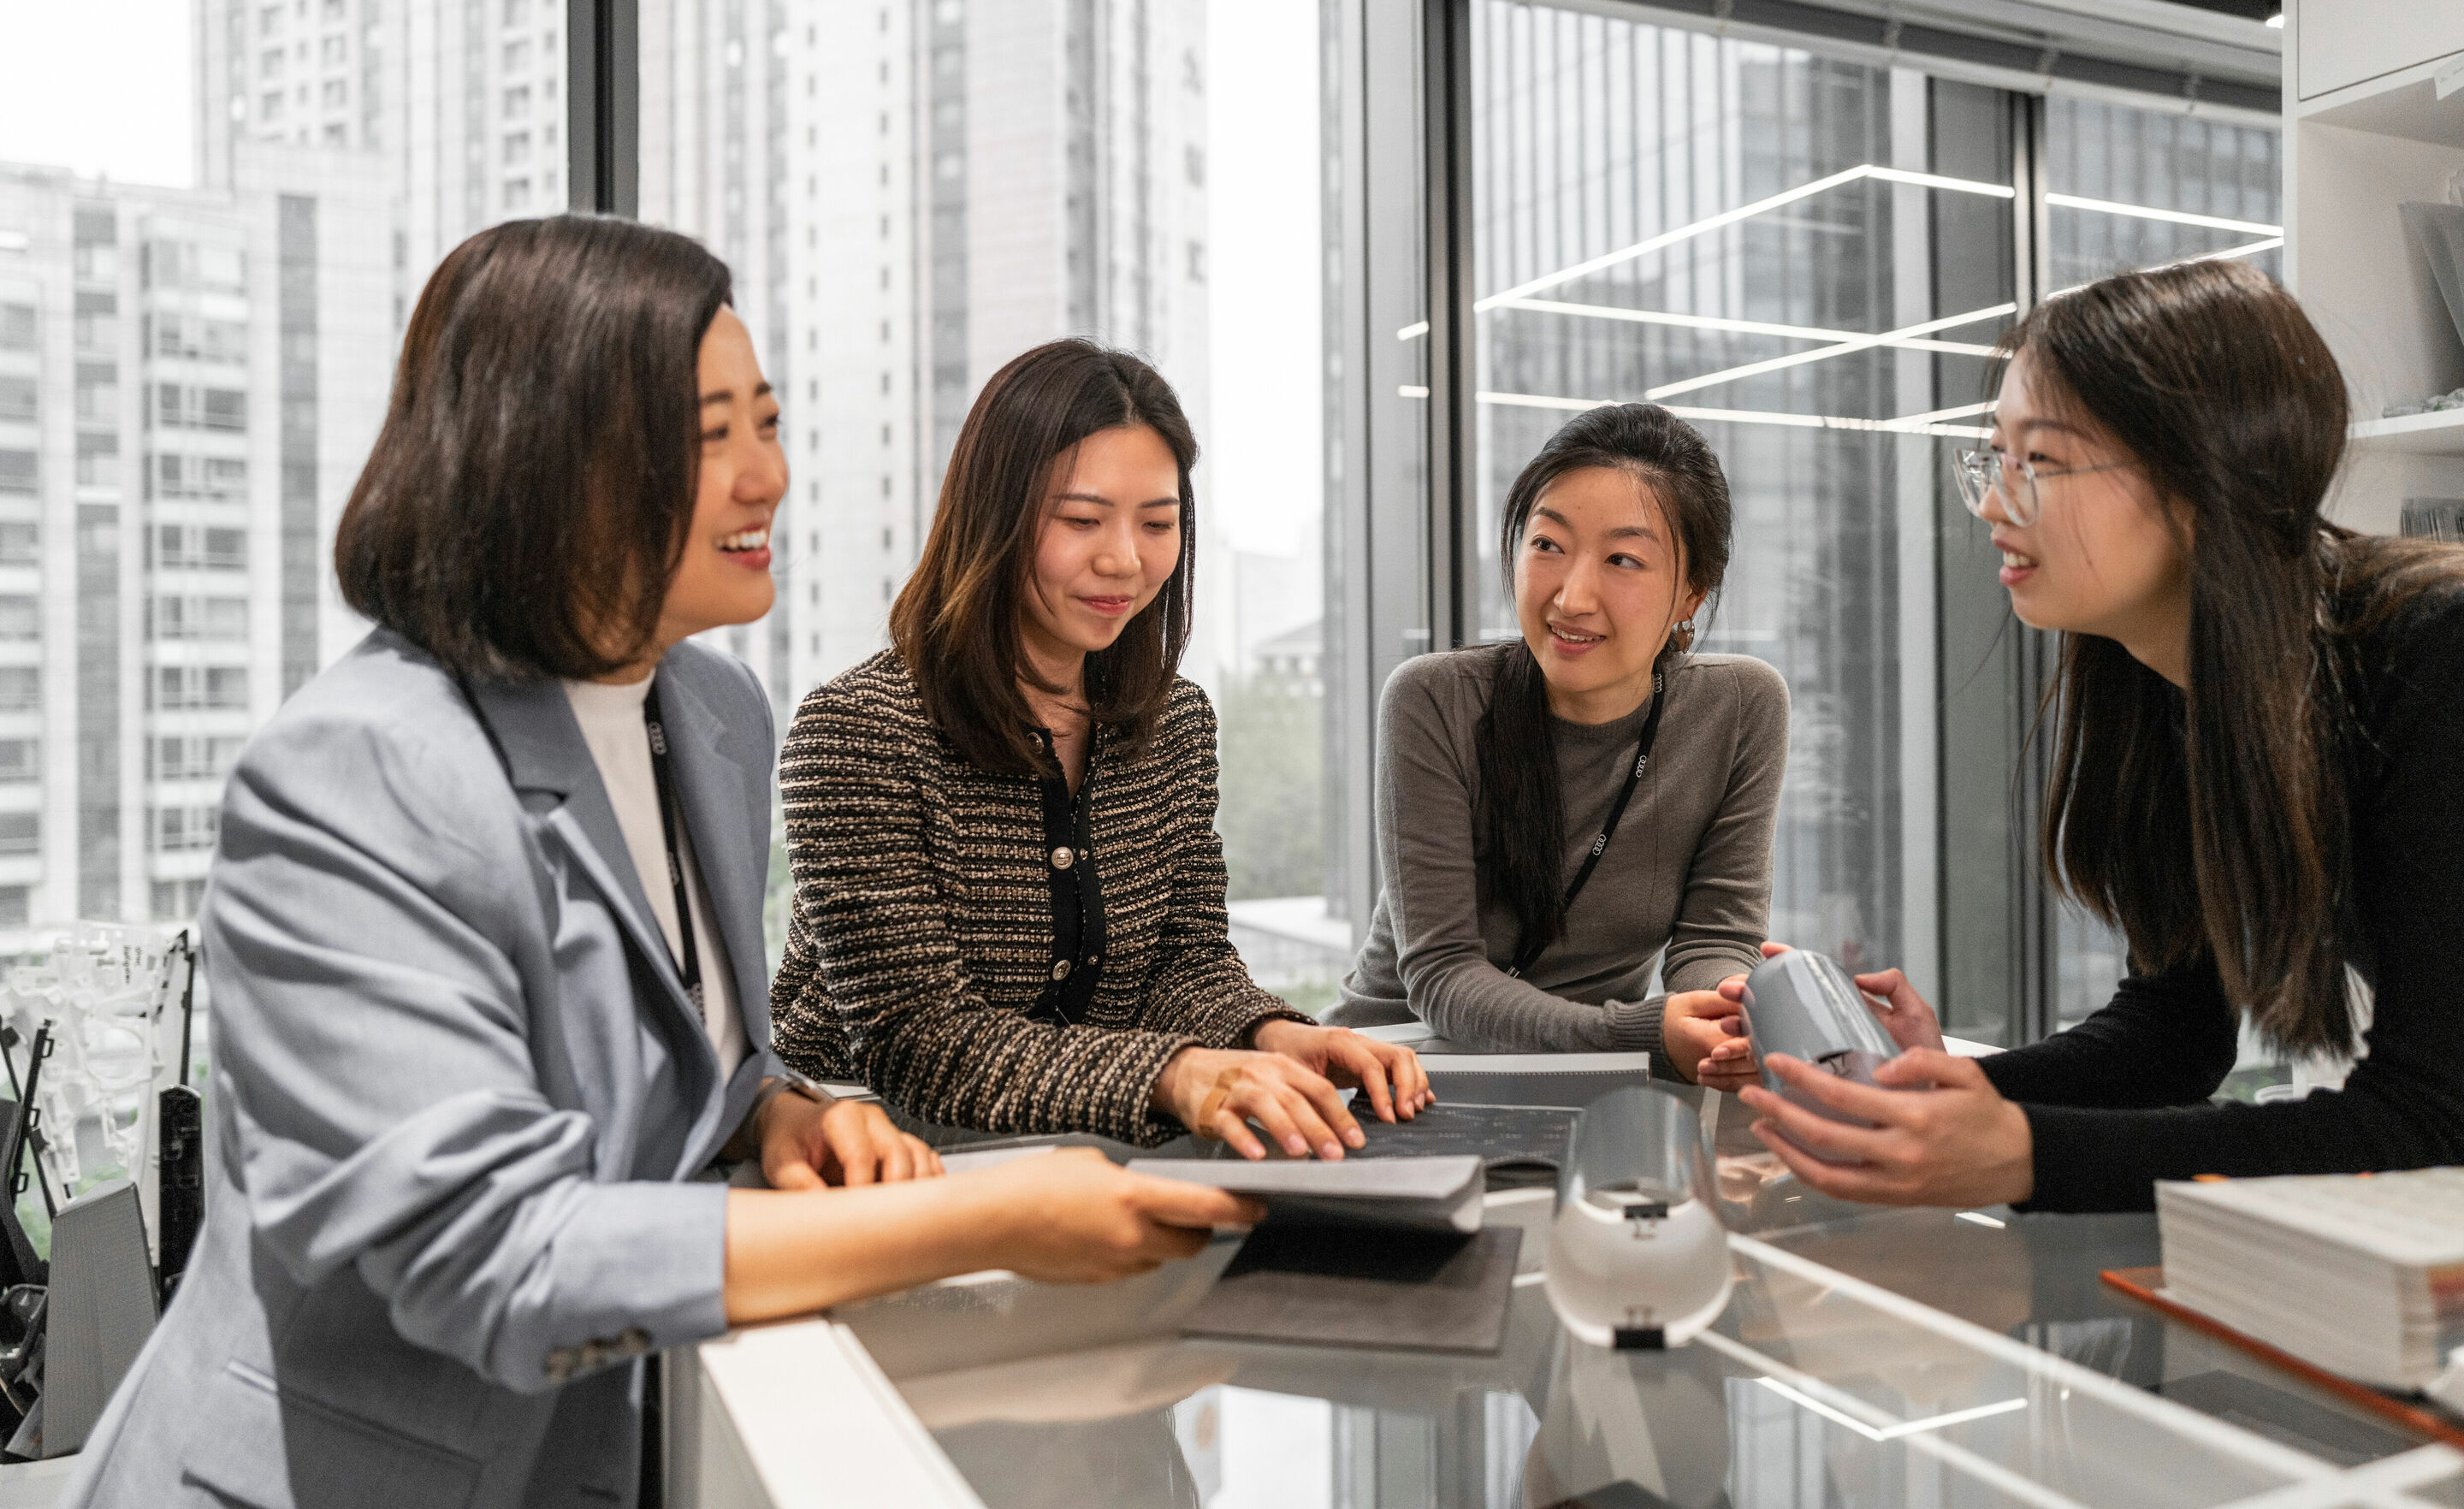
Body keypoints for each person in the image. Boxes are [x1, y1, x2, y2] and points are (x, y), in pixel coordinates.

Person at [62, 218, 1256, 1509]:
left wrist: (778, 1110)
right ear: (547, 460)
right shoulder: (356, 772)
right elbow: (495, 1252)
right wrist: (987, 1216)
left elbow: (686, 1051)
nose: (769, 478)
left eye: (769, 422)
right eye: (709, 437)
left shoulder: (712, 714)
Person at [1729, 259, 2464, 1213]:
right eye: (1996, 456)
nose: (1996, 502)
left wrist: (2027, 1152)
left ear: (2202, 475)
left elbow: (2432, 1124)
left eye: (2043, 460)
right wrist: (1939, 1096)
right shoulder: (2169, 675)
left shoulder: (2433, 656)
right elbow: (2171, 1036)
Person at [770, 339, 1429, 1159]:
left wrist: (1268, 1032)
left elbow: (1182, 963)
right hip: (871, 1160)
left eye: (1159, 523)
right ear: (995, 517)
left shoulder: (1174, 722)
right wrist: (1176, 1075)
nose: (1125, 559)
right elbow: (919, 1040)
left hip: (1086, 1151)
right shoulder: (858, 729)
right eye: (1081, 520)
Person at [1326, 402, 1783, 1086]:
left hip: (1594, 1073)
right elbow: (1442, 974)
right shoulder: (1434, 701)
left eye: (1623, 559)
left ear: (1691, 593)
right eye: (1548, 545)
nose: (1571, 597)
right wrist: (1637, 1033)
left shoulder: (1741, 707)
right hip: (1397, 1069)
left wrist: (1721, 1016)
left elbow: (1716, 938)